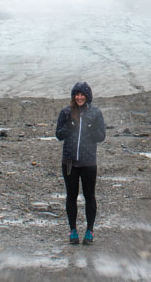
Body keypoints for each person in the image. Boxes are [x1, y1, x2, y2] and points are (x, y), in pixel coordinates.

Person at [56, 81, 106, 245]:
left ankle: (89, 231)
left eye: (82, 94)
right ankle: (73, 230)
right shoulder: (66, 112)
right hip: (69, 162)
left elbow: (101, 137)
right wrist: (69, 127)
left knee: (89, 195)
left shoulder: (96, 113)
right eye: (77, 94)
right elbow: (59, 135)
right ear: (73, 96)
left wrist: (93, 130)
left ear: (87, 96)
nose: (79, 97)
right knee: (71, 196)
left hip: (88, 162)